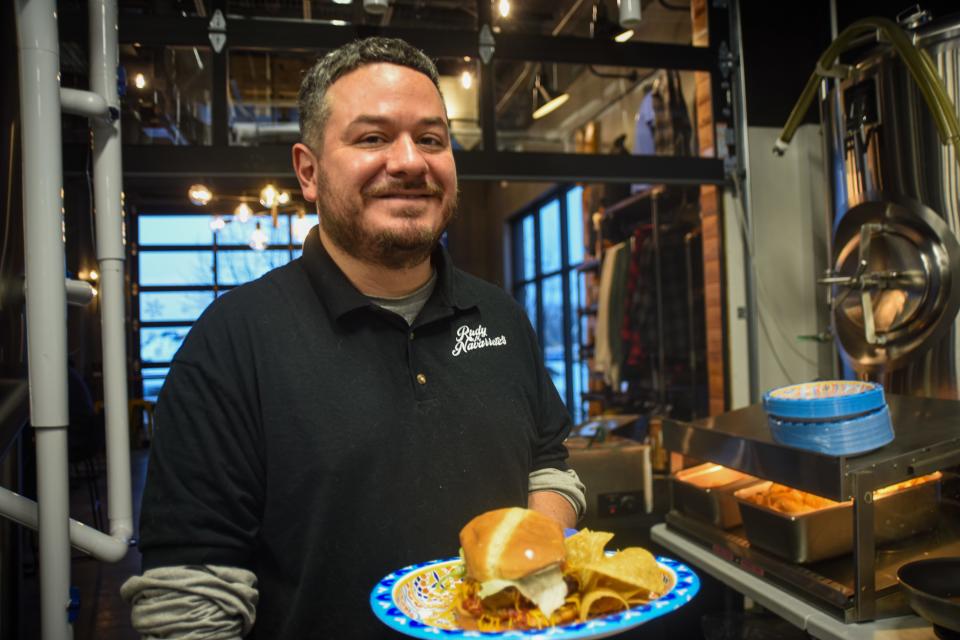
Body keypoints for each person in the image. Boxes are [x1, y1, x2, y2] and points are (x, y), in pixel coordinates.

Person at [121, 37, 586, 639]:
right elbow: (187, 597)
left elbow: (549, 466)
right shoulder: (232, 341)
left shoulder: (499, 314)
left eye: (431, 138)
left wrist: (538, 548)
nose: (411, 162)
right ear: (308, 172)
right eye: (372, 138)